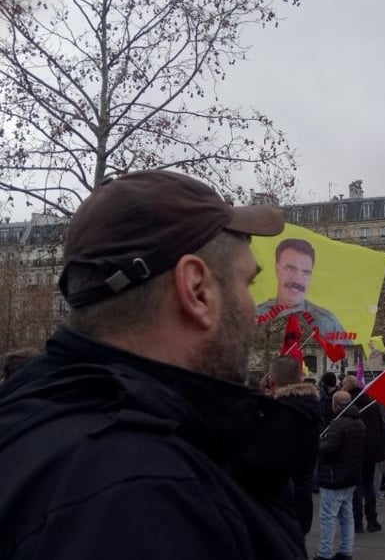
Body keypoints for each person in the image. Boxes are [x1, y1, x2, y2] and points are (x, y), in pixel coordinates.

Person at [0, 170, 320, 559]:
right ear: (197, 290)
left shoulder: (30, 423)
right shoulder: (150, 499)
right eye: (247, 284)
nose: (255, 308)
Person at [265, 355, 321, 536]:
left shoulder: (274, 413)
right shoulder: (312, 408)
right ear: (300, 378)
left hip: (276, 503)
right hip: (302, 499)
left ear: (272, 382)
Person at [256, 238, 347, 340]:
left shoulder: (327, 324)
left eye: (305, 272)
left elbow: (351, 355)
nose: (297, 280)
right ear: (277, 270)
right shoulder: (253, 318)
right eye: (290, 269)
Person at [315, 390, 367, 560]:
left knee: (328, 517)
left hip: (334, 476)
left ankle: (324, 553)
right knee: (346, 516)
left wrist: (319, 443)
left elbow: (329, 450)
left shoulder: (338, 424)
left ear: (335, 404)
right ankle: (346, 550)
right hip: (350, 476)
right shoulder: (359, 422)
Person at [341, 375, 385, 533]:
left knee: (356, 487)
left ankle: (357, 522)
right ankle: (372, 520)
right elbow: (380, 426)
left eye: (343, 384)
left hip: (355, 450)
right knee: (369, 486)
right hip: (372, 450)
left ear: (348, 386)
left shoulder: (349, 405)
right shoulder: (371, 403)